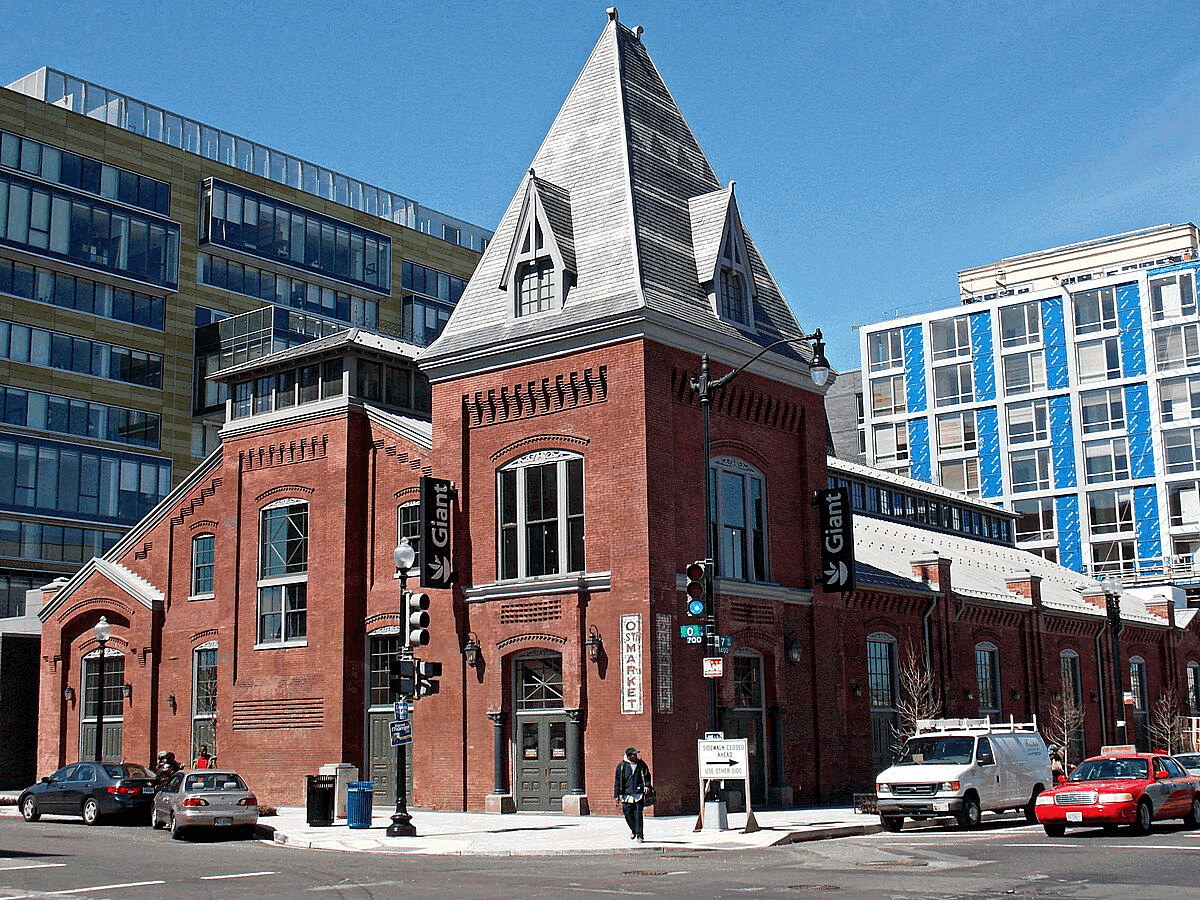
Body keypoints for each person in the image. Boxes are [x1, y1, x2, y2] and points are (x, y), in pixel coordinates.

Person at [613, 747, 652, 842]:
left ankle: (640, 835)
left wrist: (646, 785)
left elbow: (647, 776)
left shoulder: (641, 765)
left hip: (638, 794)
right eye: (633, 755)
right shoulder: (621, 766)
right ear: (629, 756)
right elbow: (617, 781)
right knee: (627, 814)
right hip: (626, 795)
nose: (635, 756)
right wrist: (616, 795)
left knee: (638, 815)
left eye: (636, 755)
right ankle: (634, 830)